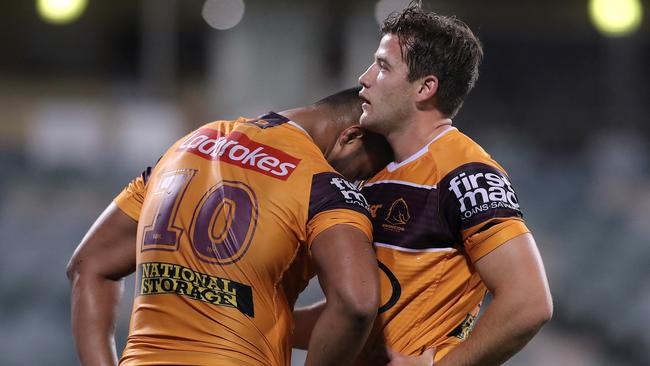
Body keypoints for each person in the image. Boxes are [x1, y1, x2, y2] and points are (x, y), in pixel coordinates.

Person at [293, 5, 553, 365]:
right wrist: (263, 318)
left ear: (425, 87)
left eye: (383, 66)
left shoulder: (467, 174)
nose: (364, 77)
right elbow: (364, 313)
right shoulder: (375, 172)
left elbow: (529, 303)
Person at [66, 87, 394, 366]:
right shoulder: (323, 186)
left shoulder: (184, 148)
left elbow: (88, 265)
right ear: (351, 137)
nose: (358, 183)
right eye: (364, 172)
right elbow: (356, 303)